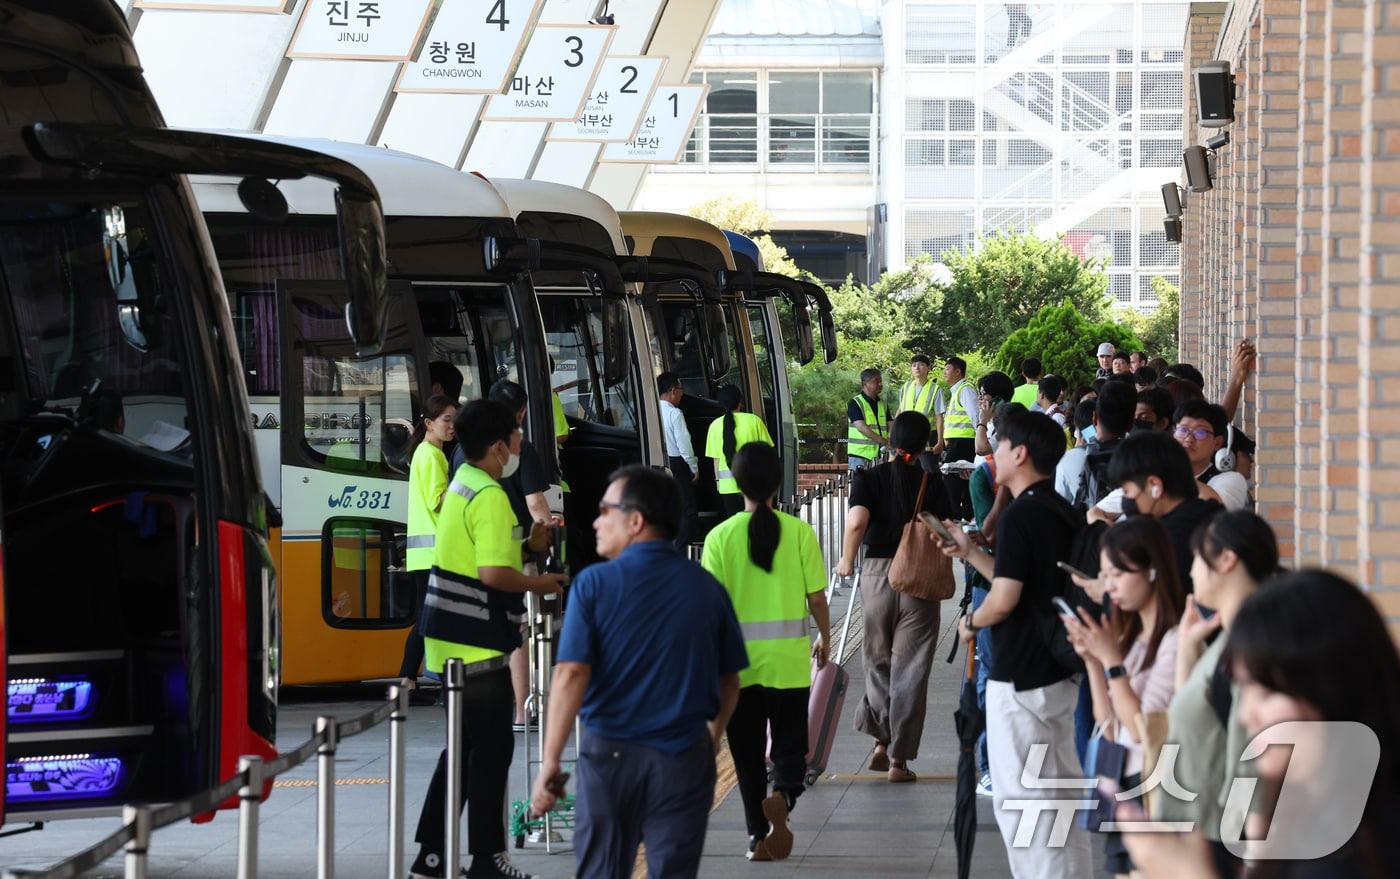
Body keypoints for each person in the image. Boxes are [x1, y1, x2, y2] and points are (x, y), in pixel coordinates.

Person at [530, 466, 748, 879]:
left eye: (605, 510)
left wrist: (550, 762)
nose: (595, 521)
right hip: (684, 756)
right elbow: (729, 681)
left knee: (602, 870)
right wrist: (711, 740)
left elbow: (572, 674)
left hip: (611, 758)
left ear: (635, 521)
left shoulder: (594, 585)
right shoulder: (706, 587)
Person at [1123, 569, 1400, 879]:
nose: (1246, 715)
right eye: (1244, 689)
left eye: (1266, 693)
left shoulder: (1348, 849)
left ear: (1331, 687)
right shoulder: (1312, 809)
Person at [411, 399, 566, 879]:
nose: (521, 443)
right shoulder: (492, 496)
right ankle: (484, 859)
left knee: (462, 752)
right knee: (491, 750)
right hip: (476, 643)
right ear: (500, 446)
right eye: (517, 436)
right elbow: (494, 573)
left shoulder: (465, 484)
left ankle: (433, 858)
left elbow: (485, 556)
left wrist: (529, 546)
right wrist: (542, 582)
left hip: (448, 637)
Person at [939, 409, 1093, 878]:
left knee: (1027, 805)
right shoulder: (1056, 509)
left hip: (1022, 679)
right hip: (1053, 673)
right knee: (1055, 800)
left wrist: (971, 620)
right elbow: (1018, 583)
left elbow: (1004, 600)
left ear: (1020, 453)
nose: (991, 449)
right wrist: (971, 554)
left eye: (998, 443)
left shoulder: (1022, 516)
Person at [701, 442, 831, 861]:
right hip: (788, 664)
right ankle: (783, 795)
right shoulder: (798, 531)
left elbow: (712, 609)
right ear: (778, 482)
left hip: (737, 670)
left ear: (737, 482)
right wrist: (825, 638)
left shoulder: (718, 537)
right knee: (792, 750)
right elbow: (816, 598)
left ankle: (758, 836)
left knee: (747, 756)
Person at [1153, 511, 1279, 877]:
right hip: (1201, 830)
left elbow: (1250, 756)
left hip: (1221, 839)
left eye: (1197, 559)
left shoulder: (1250, 644)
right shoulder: (1229, 637)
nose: (1191, 571)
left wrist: (1253, 856)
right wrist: (1189, 649)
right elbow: (1193, 717)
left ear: (1227, 560)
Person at [1063, 517, 1185, 877]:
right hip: (1122, 777)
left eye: (1118, 574)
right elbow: (1110, 727)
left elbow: (1144, 729)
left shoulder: (1175, 642)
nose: (1109, 586)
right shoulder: (1131, 635)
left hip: (1152, 787)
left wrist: (1111, 661)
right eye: (1105, 575)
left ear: (1151, 572)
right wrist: (1092, 661)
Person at [835, 412, 951, 782]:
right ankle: (899, 761)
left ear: (890, 438)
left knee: (877, 659)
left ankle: (880, 744)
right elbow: (946, 531)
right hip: (918, 578)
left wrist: (846, 560)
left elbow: (856, 522)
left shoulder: (867, 478)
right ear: (925, 443)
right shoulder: (932, 481)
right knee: (912, 668)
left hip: (876, 576)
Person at [481, 379, 554, 732]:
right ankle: (522, 712)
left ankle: (486, 706)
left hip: (472, 555)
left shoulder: (465, 451)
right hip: (514, 553)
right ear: (521, 412)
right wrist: (549, 527)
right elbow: (535, 504)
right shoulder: (520, 449)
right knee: (518, 632)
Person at [1100, 431, 1221, 581]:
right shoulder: (1207, 517)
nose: (1126, 500)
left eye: (1126, 491)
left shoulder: (1171, 541)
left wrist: (1104, 594)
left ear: (1154, 486)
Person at [402, 394, 458, 708]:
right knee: (428, 618)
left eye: (455, 420)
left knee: (429, 616)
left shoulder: (426, 453)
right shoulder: (432, 456)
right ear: (428, 423)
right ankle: (409, 679)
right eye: (446, 420)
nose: (452, 426)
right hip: (433, 552)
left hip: (426, 553)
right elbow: (439, 500)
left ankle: (410, 679)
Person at [1056, 380, 1134, 510]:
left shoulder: (1072, 458)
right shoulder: (1141, 455)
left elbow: (1060, 505)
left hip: (1089, 526)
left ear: (1094, 418)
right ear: (1132, 423)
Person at [707, 384, 773, 518]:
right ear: (740, 401)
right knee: (754, 526)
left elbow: (716, 459)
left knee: (735, 526)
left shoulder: (714, 426)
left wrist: (718, 482)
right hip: (753, 485)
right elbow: (766, 453)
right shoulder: (754, 421)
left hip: (727, 488)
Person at [1172, 400, 1249, 511]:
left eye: (1200, 433)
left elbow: (1220, 512)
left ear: (1217, 442)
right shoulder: (1157, 475)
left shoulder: (1230, 480)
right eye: (1183, 430)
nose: (1189, 439)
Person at [658, 371, 699, 549]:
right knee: (687, 509)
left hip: (657, 461)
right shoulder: (674, 414)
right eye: (681, 389)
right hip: (676, 464)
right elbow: (684, 444)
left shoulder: (651, 410)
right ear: (673, 390)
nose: (682, 393)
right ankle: (680, 548)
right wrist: (693, 467)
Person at [941, 356, 979, 517]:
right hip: (957, 444)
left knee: (952, 483)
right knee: (960, 483)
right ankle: (963, 516)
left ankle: (956, 517)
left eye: (948, 368)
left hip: (964, 444)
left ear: (958, 371)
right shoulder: (957, 391)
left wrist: (980, 438)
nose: (944, 372)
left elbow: (975, 416)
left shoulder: (965, 389)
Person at [847, 367, 891, 471]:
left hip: (879, 456)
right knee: (861, 486)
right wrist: (883, 441)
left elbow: (890, 423)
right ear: (865, 383)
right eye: (876, 381)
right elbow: (862, 427)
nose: (880, 384)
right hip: (860, 456)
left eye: (881, 381)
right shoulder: (855, 403)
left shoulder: (882, 403)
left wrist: (892, 438)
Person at [897, 353, 939, 424]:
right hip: (906, 430)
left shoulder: (935, 389)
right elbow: (900, 409)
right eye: (914, 365)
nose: (917, 368)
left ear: (928, 368)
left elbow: (939, 416)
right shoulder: (906, 387)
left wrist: (940, 435)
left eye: (921, 365)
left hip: (926, 432)